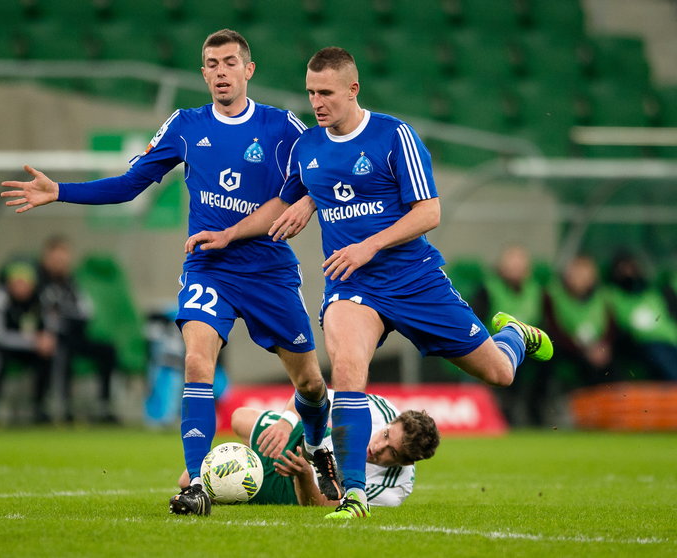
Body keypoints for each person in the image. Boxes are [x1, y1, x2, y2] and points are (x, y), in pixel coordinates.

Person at [185, 47, 553, 519]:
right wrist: (236, 232)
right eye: (311, 93)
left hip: (414, 280)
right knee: (347, 370)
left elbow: (429, 212)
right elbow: (288, 199)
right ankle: (354, 494)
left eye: (326, 93)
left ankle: (515, 335)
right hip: (352, 285)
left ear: (353, 90)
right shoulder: (307, 146)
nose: (317, 103)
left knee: (499, 372)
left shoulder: (394, 136)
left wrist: (368, 245)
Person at [0, 29, 334, 516]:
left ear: (248, 70)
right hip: (208, 267)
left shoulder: (282, 127)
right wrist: (61, 191)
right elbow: (129, 183)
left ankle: (321, 449)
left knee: (309, 384)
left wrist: (305, 202)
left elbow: (326, 174)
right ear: (202, 73)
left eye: (228, 62)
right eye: (211, 64)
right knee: (198, 362)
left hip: (270, 272)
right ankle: (197, 484)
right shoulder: (184, 125)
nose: (220, 71)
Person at [177, 392, 439, 508]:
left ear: (405, 463)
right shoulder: (380, 408)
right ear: (392, 422)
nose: (376, 447)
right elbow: (311, 391)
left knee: (186, 481)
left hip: (299, 484)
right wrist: (286, 421)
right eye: (385, 435)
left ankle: (250, 464)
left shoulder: (394, 489)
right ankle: (250, 456)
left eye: (391, 453)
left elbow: (327, 505)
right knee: (238, 418)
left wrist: (303, 474)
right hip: (309, 437)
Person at [37, 235, 119, 423]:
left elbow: (86, 311)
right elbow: (44, 313)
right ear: (47, 258)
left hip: (74, 333)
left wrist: (68, 317)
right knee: (61, 351)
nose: (61, 263)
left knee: (108, 350)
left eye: (64, 258)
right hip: (50, 337)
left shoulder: (70, 282)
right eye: (56, 259)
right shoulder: (39, 281)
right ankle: (61, 407)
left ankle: (104, 405)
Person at [473, 244, 545, 426]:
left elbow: (546, 324)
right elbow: (475, 322)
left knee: (548, 364)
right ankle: (504, 414)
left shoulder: (537, 291)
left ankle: (537, 412)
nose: (515, 268)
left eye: (520, 264)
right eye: (511, 264)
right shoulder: (488, 289)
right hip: (494, 348)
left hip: (530, 350)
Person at [0, 261, 57, 425]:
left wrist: (46, 340)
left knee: (47, 357)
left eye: (25, 283)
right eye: (16, 283)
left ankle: (40, 406)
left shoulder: (40, 300)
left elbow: (49, 327)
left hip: (25, 348)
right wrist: (34, 341)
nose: (21, 287)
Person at [543, 254, 616, 387]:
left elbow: (610, 329)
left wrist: (602, 348)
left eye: (585, 275)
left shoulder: (603, 297)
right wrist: (582, 350)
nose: (579, 279)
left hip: (597, 348)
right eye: (576, 273)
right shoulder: (552, 294)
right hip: (568, 348)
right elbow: (553, 330)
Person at [606, 251, 677, 380]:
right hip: (644, 343)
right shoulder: (612, 295)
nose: (628, 272)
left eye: (631, 267)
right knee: (661, 356)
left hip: (671, 340)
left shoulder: (653, 292)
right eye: (623, 269)